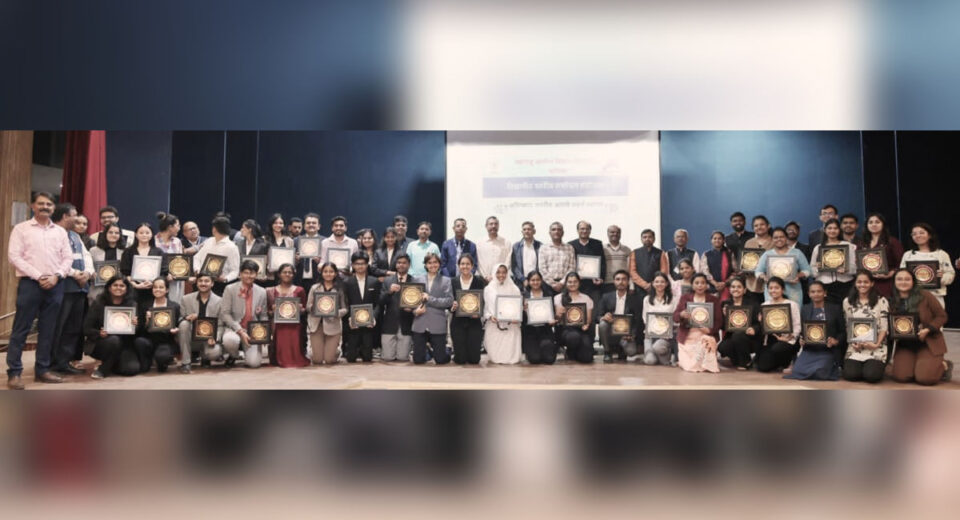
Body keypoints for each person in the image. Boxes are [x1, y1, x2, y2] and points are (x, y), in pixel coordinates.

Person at [51, 203, 94, 376]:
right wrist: (75, 274)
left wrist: (88, 273)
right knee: (58, 327)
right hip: (63, 287)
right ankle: (51, 362)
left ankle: (64, 362)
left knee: (73, 328)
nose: (77, 218)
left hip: (80, 288)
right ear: (64, 216)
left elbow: (86, 256)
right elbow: (54, 260)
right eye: (74, 215)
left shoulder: (75, 236)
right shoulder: (52, 234)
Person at [889, 268, 951, 385]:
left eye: (907, 279)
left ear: (913, 281)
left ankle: (944, 365)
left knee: (925, 379)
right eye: (899, 279)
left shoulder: (925, 295)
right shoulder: (890, 300)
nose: (903, 282)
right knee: (901, 377)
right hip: (905, 344)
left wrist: (928, 329)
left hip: (927, 342)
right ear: (894, 282)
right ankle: (918, 365)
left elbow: (942, 316)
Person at [83, 275, 142, 378]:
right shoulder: (98, 303)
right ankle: (103, 370)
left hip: (124, 344)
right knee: (114, 340)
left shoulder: (132, 305)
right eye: (115, 285)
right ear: (109, 287)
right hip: (102, 343)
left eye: (122, 286)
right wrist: (99, 333)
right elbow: (86, 328)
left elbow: (136, 332)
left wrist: (135, 325)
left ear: (127, 288)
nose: (118, 288)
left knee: (131, 369)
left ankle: (112, 364)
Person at [787, 281, 844, 381]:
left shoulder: (835, 309)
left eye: (819, 291)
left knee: (820, 372)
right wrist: (802, 340)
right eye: (813, 292)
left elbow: (842, 331)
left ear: (824, 293)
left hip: (828, 350)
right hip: (810, 349)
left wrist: (836, 341)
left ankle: (834, 366)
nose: (816, 294)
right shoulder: (805, 309)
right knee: (797, 371)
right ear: (809, 294)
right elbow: (803, 332)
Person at [841, 272, 889, 383]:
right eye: (859, 282)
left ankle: (872, 367)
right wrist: (854, 343)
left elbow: (884, 327)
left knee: (871, 376)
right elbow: (848, 325)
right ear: (855, 283)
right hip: (855, 347)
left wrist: (876, 344)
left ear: (872, 283)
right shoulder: (847, 301)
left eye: (866, 282)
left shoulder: (881, 301)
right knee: (851, 375)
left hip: (876, 347)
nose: (862, 285)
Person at [220, 260, 269, 368]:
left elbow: (263, 315)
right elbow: (225, 314)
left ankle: (246, 352)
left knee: (254, 364)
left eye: (252, 273)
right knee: (230, 340)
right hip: (234, 328)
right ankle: (234, 355)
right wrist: (240, 331)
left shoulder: (262, 291)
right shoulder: (230, 289)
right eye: (246, 273)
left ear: (256, 274)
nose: (249, 276)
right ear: (240, 274)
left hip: (253, 331)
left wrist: (264, 334)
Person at [674, 273, 723, 373]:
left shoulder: (713, 300)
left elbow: (719, 321)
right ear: (692, 285)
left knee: (706, 348)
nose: (700, 285)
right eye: (697, 283)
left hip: (705, 335)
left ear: (706, 285)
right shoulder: (685, 298)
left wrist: (709, 330)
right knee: (689, 366)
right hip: (687, 336)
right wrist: (681, 315)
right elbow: (675, 317)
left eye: (702, 283)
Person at [411, 253, 453, 365]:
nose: (432, 265)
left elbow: (449, 301)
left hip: (437, 323)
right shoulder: (417, 280)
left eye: (435, 262)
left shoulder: (446, 280)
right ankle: (428, 351)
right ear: (425, 265)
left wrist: (430, 299)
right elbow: (411, 301)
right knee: (418, 360)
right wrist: (415, 311)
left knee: (440, 360)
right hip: (420, 322)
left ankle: (446, 351)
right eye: (429, 263)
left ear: (439, 264)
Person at [900, 222, 955, 309]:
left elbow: (950, 274)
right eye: (914, 234)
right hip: (913, 296)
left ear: (930, 235)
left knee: (937, 318)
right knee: (914, 318)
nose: (918, 236)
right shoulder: (908, 255)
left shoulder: (941, 254)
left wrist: (940, 278)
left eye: (921, 233)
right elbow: (901, 275)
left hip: (936, 296)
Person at [176, 273, 223, 373]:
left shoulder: (220, 301)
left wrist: (216, 338)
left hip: (209, 339)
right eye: (200, 281)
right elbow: (180, 319)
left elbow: (221, 325)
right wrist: (186, 318)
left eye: (206, 281)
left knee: (215, 353)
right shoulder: (186, 299)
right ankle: (186, 363)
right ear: (196, 283)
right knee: (184, 324)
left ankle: (205, 357)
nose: (203, 283)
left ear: (212, 283)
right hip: (191, 338)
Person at [267, 263, 309, 368]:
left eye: (290, 272)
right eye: (284, 272)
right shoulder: (270, 291)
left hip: (294, 324)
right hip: (277, 325)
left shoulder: (299, 290)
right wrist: (273, 310)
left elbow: (304, 309)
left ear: (293, 275)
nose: (287, 274)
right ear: (279, 274)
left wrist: (299, 309)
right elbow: (268, 312)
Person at [755, 277, 802, 373]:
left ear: (782, 289)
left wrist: (790, 337)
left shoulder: (792, 304)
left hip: (787, 339)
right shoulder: (765, 305)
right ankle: (778, 362)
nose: (773, 290)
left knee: (778, 349)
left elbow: (797, 325)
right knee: (762, 367)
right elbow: (765, 327)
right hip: (770, 339)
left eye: (776, 288)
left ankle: (789, 360)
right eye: (770, 288)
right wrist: (761, 321)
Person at [755, 227, 811, 305]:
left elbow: (807, 270)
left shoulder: (797, 253)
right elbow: (758, 271)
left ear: (786, 238)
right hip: (773, 291)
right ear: (772, 239)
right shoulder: (767, 254)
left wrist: (798, 275)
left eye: (781, 237)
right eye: (776, 237)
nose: (779, 239)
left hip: (793, 291)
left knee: (794, 311)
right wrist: (764, 277)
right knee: (774, 312)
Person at [342, 251, 381, 362]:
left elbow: (378, 303)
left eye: (363, 263)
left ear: (367, 265)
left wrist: (374, 317)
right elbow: (345, 303)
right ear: (353, 265)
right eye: (357, 264)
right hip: (352, 324)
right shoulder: (347, 282)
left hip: (368, 324)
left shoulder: (374, 281)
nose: (360, 266)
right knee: (351, 358)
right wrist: (349, 318)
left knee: (367, 358)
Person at [134, 278, 180, 373]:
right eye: (155, 287)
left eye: (161, 287)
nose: (157, 289)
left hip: (166, 341)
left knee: (162, 361)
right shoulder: (145, 305)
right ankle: (148, 359)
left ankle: (163, 359)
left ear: (167, 290)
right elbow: (140, 329)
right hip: (149, 340)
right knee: (140, 342)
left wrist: (175, 331)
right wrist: (147, 321)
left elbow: (178, 325)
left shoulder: (174, 306)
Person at [306, 262, 348, 365]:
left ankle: (335, 352)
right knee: (317, 360)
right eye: (325, 271)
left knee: (329, 360)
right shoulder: (314, 288)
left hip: (333, 326)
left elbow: (345, 309)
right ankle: (316, 352)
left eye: (331, 271)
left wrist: (335, 312)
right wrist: (313, 307)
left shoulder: (339, 289)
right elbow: (307, 307)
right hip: (317, 326)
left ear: (335, 273)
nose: (328, 274)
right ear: (321, 273)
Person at [596, 270, 641, 362]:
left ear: (628, 281)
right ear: (614, 281)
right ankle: (607, 352)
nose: (621, 282)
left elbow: (638, 320)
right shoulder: (606, 297)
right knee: (602, 324)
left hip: (625, 333)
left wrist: (632, 334)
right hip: (610, 331)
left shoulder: (634, 299)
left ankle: (621, 349)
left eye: (624, 279)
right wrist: (603, 317)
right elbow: (598, 316)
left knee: (631, 352)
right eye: (618, 279)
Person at [810, 218, 858, 304]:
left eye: (835, 228)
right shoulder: (818, 248)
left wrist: (847, 270)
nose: (832, 231)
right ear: (825, 230)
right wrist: (818, 268)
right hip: (825, 285)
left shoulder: (847, 245)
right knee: (830, 311)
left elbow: (855, 267)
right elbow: (812, 270)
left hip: (845, 284)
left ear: (839, 230)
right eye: (830, 228)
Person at [717, 277, 761, 370]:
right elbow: (722, 327)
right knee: (723, 347)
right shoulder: (726, 304)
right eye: (733, 287)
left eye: (739, 287)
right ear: (729, 289)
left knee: (738, 335)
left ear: (744, 290)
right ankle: (740, 360)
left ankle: (745, 362)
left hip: (750, 338)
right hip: (732, 336)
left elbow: (759, 323)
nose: (735, 289)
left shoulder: (753, 304)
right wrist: (725, 317)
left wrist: (754, 329)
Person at [449, 254, 486, 365]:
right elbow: (449, 301)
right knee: (460, 360)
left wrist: (479, 313)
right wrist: (452, 306)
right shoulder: (453, 281)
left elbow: (484, 301)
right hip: (458, 322)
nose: (465, 266)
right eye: (462, 264)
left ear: (472, 266)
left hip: (474, 322)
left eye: (468, 264)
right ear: (458, 265)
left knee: (474, 360)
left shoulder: (479, 281)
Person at [482, 264, 522, 364]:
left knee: (512, 357)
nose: (501, 275)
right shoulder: (488, 289)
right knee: (495, 357)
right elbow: (486, 308)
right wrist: (490, 316)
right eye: (498, 272)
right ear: (494, 273)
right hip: (494, 324)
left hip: (511, 324)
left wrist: (516, 317)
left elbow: (518, 307)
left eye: (504, 272)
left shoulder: (514, 289)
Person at [120, 222, 167, 307]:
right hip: (133, 290)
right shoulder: (128, 251)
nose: (144, 235)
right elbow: (125, 272)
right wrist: (135, 285)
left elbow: (163, 272)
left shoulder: (158, 252)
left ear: (152, 235)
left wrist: (153, 283)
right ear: (136, 235)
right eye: (141, 233)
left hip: (154, 291)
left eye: (147, 233)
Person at [193, 216, 242, 296]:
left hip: (219, 286)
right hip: (201, 281)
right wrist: (197, 270)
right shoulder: (209, 241)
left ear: (214, 229)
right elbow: (196, 258)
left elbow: (235, 271)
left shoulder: (232, 247)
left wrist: (225, 279)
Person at [379, 254, 414, 362]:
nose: (401, 265)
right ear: (395, 264)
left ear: (409, 265)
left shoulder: (414, 281)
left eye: (404, 263)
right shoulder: (387, 281)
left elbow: (418, 303)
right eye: (399, 263)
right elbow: (380, 301)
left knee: (402, 358)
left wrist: (412, 309)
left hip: (406, 323)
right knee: (387, 357)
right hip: (389, 323)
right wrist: (389, 292)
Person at [554, 272, 594, 364]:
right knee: (574, 337)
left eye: (575, 282)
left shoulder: (586, 298)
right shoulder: (558, 298)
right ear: (566, 283)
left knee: (587, 358)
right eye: (570, 282)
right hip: (566, 329)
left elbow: (588, 319)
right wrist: (559, 314)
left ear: (579, 283)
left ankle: (575, 353)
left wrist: (587, 325)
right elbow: (557, 320)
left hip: (581, 329)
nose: (572, 284)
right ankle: (570, 351)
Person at [862, 212, 903, 298]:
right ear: (867, 225)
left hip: (887, 283)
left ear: (883, 224)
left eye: (877, 222)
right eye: (870, 222)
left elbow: (901, 263)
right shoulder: (862, 243)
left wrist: (891, 273)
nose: (874, 224)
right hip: (866, 283)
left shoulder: (892, 241)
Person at [521, 271, 558, 365]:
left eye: (538, 280)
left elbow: (553, 313)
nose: (535, 282)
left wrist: (553, 320)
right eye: (532, 280)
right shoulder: (523, 296)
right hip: (530, 332)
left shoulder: (548, 295)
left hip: (545, 330)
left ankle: (545, 349)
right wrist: (523, 311)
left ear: (541, 281)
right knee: (535, 359)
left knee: (549, 359)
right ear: (528, 281)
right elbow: (520, 319)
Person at [641, 272, 678, 366]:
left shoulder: (673, 299)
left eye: (662, 281)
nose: (659, 284)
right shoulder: (647, 299)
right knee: (650, 361)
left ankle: (664, 353)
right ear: (652, 283)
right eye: (656, 282)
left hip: (666, 336)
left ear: (667, 283)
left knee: (659, 351)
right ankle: (653, 354)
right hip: (650, 334)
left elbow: (675, 319)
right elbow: (645, 318)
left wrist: (667, 331)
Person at [569, 220, 605, 306]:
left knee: (595, 307)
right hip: (577, 283)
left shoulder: (597, 244)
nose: (584, 231)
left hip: (594, 283)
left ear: (590, 230)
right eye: (582, 229)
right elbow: (569, 263)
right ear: (577, 230)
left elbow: (603, 262)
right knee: (578, 307)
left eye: (587, 229)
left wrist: (601, 277)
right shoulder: (571, 245)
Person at [154, 211, 186, 303]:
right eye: (178, 225)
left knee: (174, 305)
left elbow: (180, 261)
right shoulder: (154, 241)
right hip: (158, 281)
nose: (179, 228)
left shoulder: (177, 241)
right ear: (170, 227)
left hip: (175, 281)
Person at [629, 228, 670, 300]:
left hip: (657, 288)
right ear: (641, 239)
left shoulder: (661, 253)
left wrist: (654, 284)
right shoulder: (635, 252)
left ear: (654, 239)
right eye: (644, 237)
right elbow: (632, 272)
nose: (647, 239)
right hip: (639, 288)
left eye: (650, 237)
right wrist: (645, 285)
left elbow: (664, 271)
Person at [88, 222, 124, 303]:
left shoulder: (124, 251)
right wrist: (92, 273)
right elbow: (89, 268)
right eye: (110, 232)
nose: (113, 235)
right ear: (105, 234)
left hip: (118, 291)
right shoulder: (93, 250)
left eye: (116, 233)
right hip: (97, 291)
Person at [742, 215, 774, 304]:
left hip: (770, 284)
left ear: (768, 226)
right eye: (756, 225)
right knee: (754, 311)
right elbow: (746, 264)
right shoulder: (749, 243)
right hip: (752, 285)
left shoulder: (774, 242)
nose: (759, 227)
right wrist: (745, 269)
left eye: (762, 224)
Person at [539, 222, 577, 294]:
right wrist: (553, 284)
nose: (556, 231)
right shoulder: (543, 248)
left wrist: (562, 283)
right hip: (547, 285)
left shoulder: (569, 248)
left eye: (559, 229)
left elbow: (572, 268)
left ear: (563, 233)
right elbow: (542, 269)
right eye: (553, 229)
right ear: (550, 233)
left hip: (565, 285)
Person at [701, 230, 737, 300]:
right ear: (711, 240)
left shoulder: (729, 254)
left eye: (719, 238)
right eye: (715, 238)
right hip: (711, 289)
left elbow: (735, 271)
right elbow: (705, 272)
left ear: (723, 240)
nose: (717, 240)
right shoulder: (706, 254)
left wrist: (725, 283)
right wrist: (715, 284)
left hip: (728, 288)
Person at [293, 213, 324, 291]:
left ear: (319, 226)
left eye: (314, 223)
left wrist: (321, 262)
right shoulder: (296, 241)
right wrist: (295, 260)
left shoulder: (324, 241)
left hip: (318, 279)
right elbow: (290, 263)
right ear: (304, 226)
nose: (311, 225)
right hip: (299, 279)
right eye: (308, 223)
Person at [477, 216, 512, 282]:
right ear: (486, 226)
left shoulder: (506, 243)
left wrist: (500, 275)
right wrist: (485, 276)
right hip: (484, 280)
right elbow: (479, 262)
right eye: (491, 224)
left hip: (501, 279)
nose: (493, 226)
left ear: (498, 226)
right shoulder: (480, 243)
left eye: (496, 224)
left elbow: (508, 261)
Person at [264, 214, 294, 286]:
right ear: (271, 224)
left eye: (281, 223)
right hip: (270, 275)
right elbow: (263, 257)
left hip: (285, 275)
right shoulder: (264, 239)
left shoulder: (289, 240)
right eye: (275, 223)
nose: (278, 225)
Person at [602, 225, 631, 295]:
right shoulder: (602, 249)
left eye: (617, 232)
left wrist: (631, 284)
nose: (615, 234)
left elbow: (630, 269)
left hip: (623, 283)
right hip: (607, 283)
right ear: (607, 234)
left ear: (620, 234)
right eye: (612, 232)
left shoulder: (627, 250)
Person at [511, 221, 541, 288]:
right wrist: (523, 279)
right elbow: (514, 266)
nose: (526, 231)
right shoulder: (516, 246)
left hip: (536, 282)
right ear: (522, 232)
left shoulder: (540, 246)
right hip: (520, 282)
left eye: (529, 229)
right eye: (524, 229)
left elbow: (541, 265)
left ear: (534, 231)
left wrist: (535, 279)